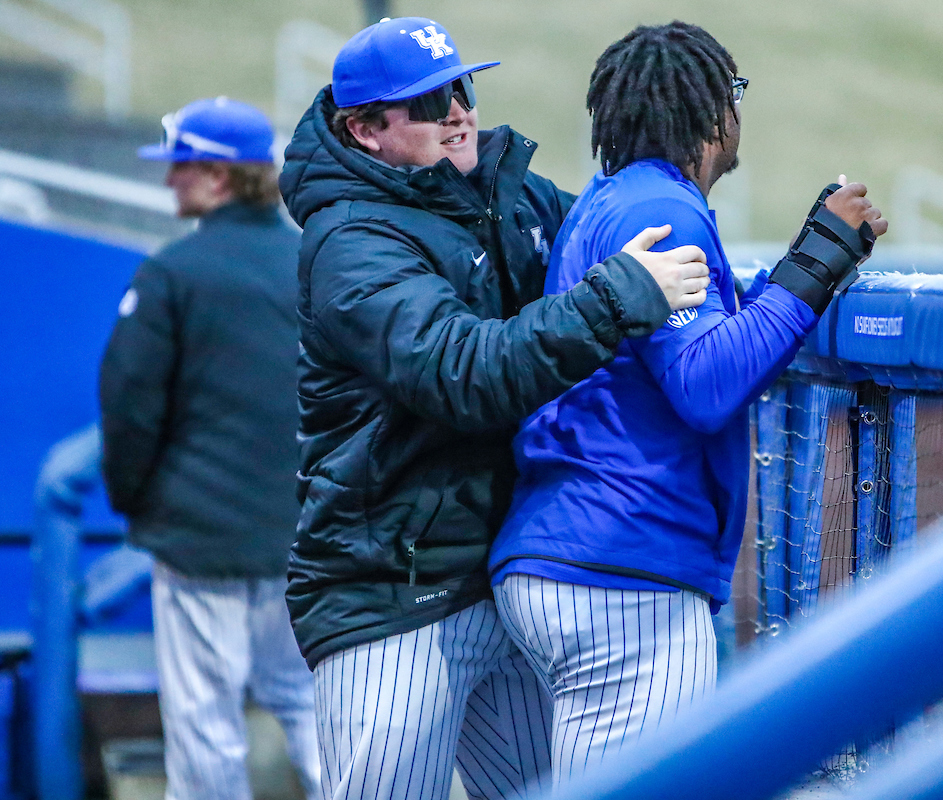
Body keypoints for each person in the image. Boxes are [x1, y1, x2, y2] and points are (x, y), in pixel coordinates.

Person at [277, 17, 710, 800]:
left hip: (502, 586)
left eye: (462, 87)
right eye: (428, 100)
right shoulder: (349, 240)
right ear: (365, 131)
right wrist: (620, 298)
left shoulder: (509, 192)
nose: (457, 111)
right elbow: (463, 371)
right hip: (391, 598)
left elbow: (628, 236)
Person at [488, 21, 888, 784]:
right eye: (735, 93)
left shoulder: (617, 199)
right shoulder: (656, 211)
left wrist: (812, 258)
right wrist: (814, 266)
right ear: (709, 112)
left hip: (570, 553)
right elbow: (706, 384)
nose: (740, 112)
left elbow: (702, 344)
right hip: (623, 568)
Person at [99, 97, 320, 800]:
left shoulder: (173, 274)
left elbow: (129, 408)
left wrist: (139, 505)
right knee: (321, 717)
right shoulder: (316, 264)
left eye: (181, 168)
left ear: (220, 178)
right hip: (308, 539)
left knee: (204, 734)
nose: (170, 183)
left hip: (201, 549)